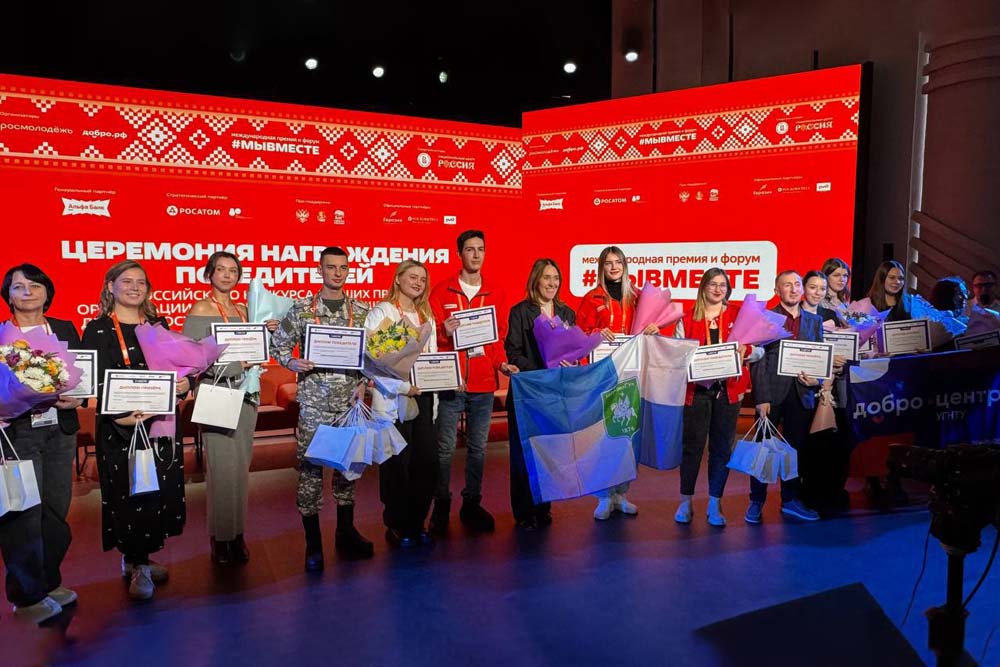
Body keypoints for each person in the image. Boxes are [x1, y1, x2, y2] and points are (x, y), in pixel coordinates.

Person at [81, 260, 190, 601]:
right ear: (110, 286)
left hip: (158, 422)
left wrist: (184, 385)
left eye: (141, 282)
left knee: (156, 490)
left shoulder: (159, 325)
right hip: (120, 426)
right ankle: (136, 563)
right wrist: (122, 415)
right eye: (126, 281)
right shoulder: (97, 329)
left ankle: (140, 558)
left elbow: (176, 369)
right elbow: (95, 381)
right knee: (129, 492)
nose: (134, 287)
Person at [271, 247, 373, 571]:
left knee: (347, 469)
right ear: (320, 270)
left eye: (343, 267)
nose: (338, 273)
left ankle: (345, 533)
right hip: (314, 404)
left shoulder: (362, 310)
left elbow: (371, 355)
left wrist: (364, 382)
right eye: (331, 267)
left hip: (348, 403)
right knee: (310, 472)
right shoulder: (302, 309)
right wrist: (291, 362)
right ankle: (313, 545)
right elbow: (279, 344)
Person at [182, 252, 279, 565]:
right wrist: (239, 363)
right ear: (209, 274)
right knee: (222, 470)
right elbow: (191, 358)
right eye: (220, 269)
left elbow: (256, 350)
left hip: (246, 394)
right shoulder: (201, 309)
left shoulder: (244, 310)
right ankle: (221, 538)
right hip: (217, 393)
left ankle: (237, 533)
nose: (227, 275)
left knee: (239, 468)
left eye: (233, 271)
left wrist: (268, 332)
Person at [0, 265, 81, 623]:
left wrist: (79, 397)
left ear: (48, 292)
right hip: (17, 432)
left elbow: (84, 374)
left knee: (55, 509)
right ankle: (26, 595)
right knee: (23, 513)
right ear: (8, 295)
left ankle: (48, 582)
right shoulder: (2, 335)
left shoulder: (64, 328)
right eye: (19, 287)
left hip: (60, 429)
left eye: (35, 285)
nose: (28, 292)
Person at [428, 230, 517, 535]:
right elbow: (431, 339)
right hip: (451, 384)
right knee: (444, 449)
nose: (476, 254)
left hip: (483, 384)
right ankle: (441, 505)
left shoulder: (496, 292)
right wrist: (444, 332)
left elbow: (498, 339)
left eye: (481, 249)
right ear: (459, 254)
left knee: (478, 449)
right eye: (470, 249)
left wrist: (501, 364)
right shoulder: (441, 292)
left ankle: (472, 503)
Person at [672, 269, 761, 527]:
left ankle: (715, 503)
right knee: (692, 448)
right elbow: (676, 355)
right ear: (703, 287)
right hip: (696, 393)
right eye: (712, 284)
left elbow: (760, 352)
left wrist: (748, 350)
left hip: (728, 393)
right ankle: (685, 501)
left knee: (721, 448)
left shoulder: (739, 315)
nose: (718, 289)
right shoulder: (687, 318)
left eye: (722, 285)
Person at [575, 246, 657, 520]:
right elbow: (579, 335)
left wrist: (653, 327)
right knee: (603, 435)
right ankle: (603, 496)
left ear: (624, 265)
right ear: (601, 268)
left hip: (630, 374)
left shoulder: (636, 297)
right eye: (608, 263)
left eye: (618, 262)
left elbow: (650, 327)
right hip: (602, 375)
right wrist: (597, 333)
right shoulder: (592, 298)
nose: (613, 267)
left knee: (626, 436)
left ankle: (621, 493)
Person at [366, 261, 438, 547]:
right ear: (397, 279)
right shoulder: (382, 312)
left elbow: (432, 359)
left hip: (423, 397)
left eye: (422, 279)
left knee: (427, 461)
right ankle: (397, 523)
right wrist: (404, 386)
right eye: (412, 277)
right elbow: (370, 361)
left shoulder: (426, 316)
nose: (418, 283)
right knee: (396, 464)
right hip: (393, 398)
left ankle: (418, 520)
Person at [745, 270, 822, 524]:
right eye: (787, 285)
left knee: (795, 450)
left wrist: (818, 380)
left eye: (797, 284)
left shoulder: (814, 321)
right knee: (763, 449)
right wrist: (761, 397)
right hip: (771, 394)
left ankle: (790, 500)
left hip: (802, 394)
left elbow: (820, 356)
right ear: (777, 291)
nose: (793, 289)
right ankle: (757, 500)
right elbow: (758, 360)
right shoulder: (766, 318)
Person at [505, 259, 576, 531]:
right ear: (536, 279)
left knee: (548, 453)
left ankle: (543, 506)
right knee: (522, 455)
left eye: (556, 278)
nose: (552, 283)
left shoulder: (566, 313)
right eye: (547, 277)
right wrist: (542, 370)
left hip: (554, 395)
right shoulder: (520, 312)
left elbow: (572, 351)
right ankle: (524, 512)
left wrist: (572, 361)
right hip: (526, 393)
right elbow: (513, 351)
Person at [800, 270, 851, 514]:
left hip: (830, 388)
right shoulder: (795, 317)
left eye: (821, 289)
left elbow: (843, 349)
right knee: (806, 445)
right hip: (802, 388)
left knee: (829, 443)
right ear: (803, 289)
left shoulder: (830, 316)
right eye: (813, 287)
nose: (818, 292)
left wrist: (840, 363)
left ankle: (829, 493)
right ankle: (807, 494)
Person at [820, 258, 852, 324]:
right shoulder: (819, 301)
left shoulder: (845, 303)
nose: (842, 279)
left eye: (845, 276)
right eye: (836, 275)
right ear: (826, 276)